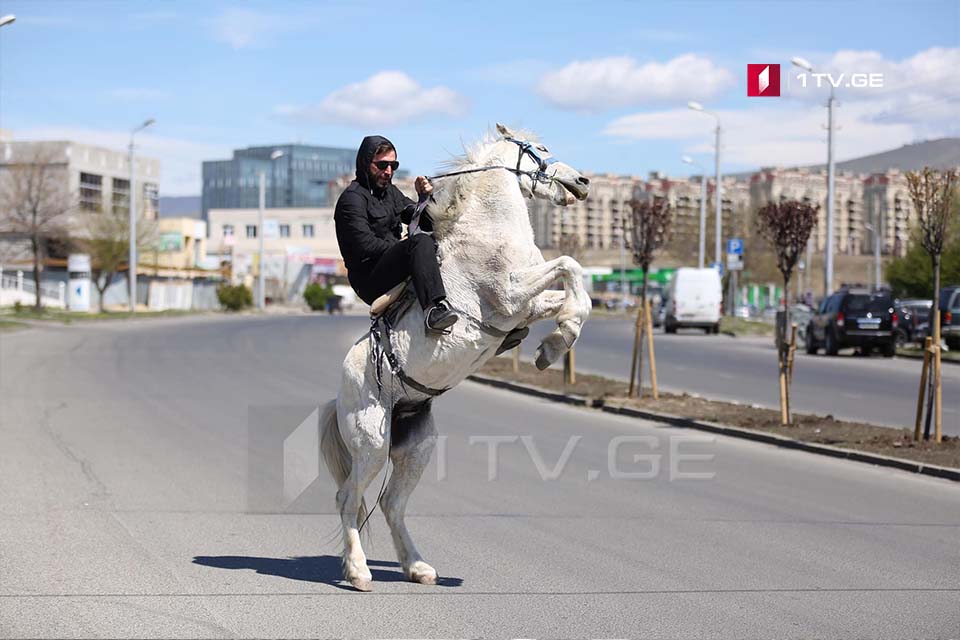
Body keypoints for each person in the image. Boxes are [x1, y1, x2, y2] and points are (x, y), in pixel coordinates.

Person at [334, 135, 458, 332]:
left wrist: (426, 197)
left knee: (437, 240)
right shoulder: (352, 200)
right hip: (369, 279)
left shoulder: (390, 192)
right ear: (366, 163)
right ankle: (433, 313)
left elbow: (422, 218)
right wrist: (404, 245)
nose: (388, 171)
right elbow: (365, 245)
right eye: (383, 165)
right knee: (420, 243)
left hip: (393, 263)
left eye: (394, 165)